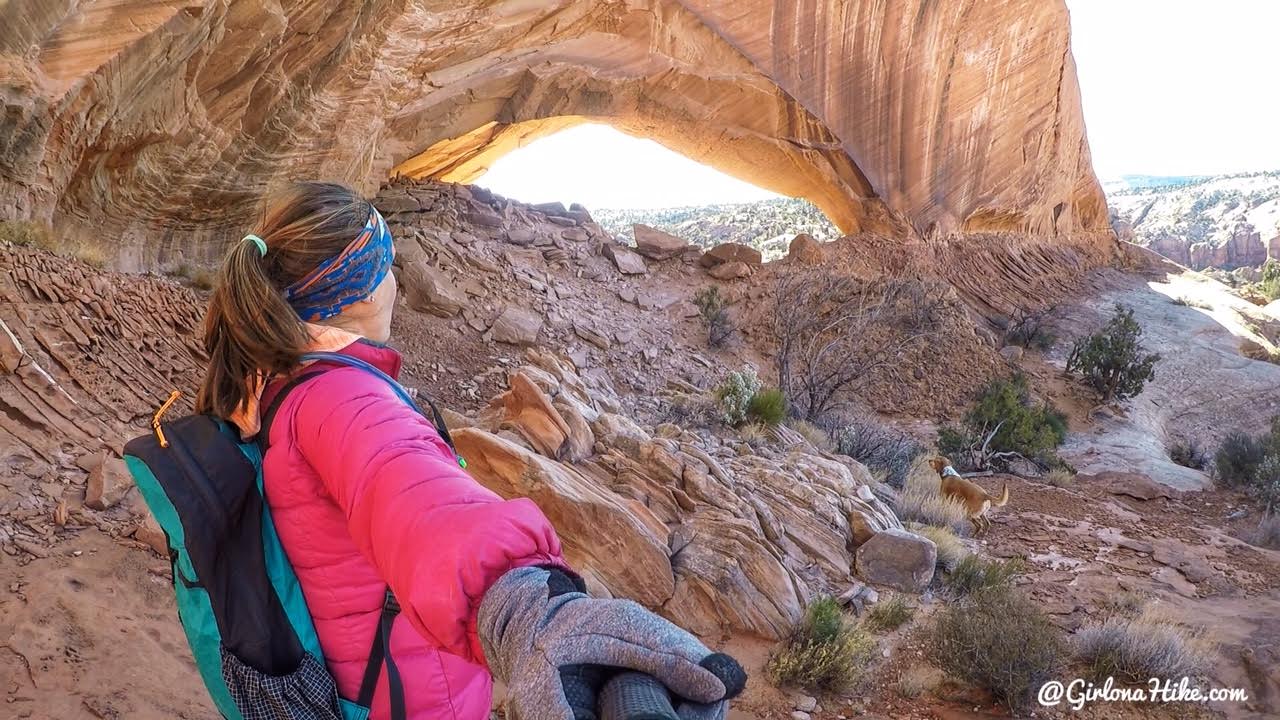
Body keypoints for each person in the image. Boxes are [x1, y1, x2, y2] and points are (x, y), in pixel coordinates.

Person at [194, 181, 742, 720]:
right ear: (357, 290)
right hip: (407, 697)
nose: (394, 282)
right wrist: (527, 616)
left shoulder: (273, 384)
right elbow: (414, 497)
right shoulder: (344, 397)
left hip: (351, 682)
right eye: (385, 268)